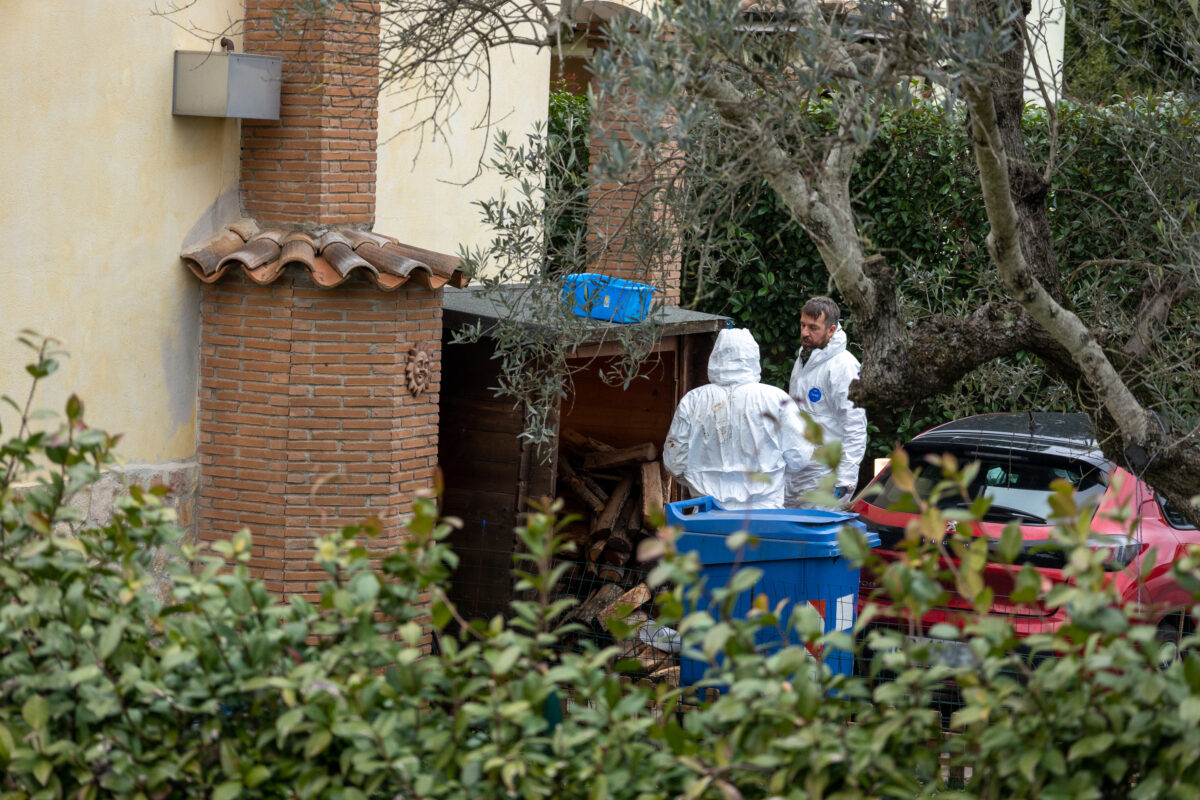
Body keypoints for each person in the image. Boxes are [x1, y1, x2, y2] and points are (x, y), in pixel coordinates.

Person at [663, 328, 814, 510]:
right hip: (764, 512)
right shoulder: (776, 399)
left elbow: (674, 462)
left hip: (707, 514)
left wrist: (698, 483)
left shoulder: (693, 401)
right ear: (753, 356)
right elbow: (800, 456)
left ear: (715, 356)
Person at [785, 297, 868, 507]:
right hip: (798, 473)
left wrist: (846, 479)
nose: (805, 332)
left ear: (831, 330)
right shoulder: (805, 358)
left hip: (826, 477)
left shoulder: (844, 367)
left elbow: (855, 426)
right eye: (803, 325)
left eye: (813, 327)